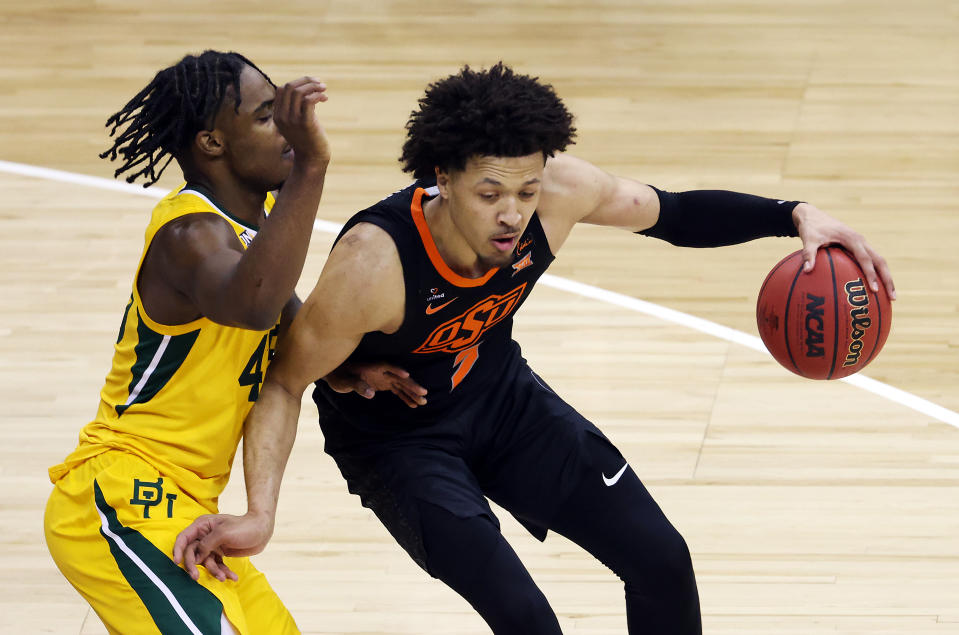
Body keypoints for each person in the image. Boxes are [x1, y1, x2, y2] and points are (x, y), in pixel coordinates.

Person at [174, 63, 896, 634]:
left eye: (525, 188)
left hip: (502, 403)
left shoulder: (558, 193)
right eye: (490, 192)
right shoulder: (373, 265)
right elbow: (282, 382)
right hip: (400, 447)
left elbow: (672, 213)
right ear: (442, 178)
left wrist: (792, 214)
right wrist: (260, 510)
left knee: (661, 560)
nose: (513, 212)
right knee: (528, 621)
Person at [43, 49, 334, 635]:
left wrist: (352, 369)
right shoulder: (190, 233)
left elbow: (292, 329)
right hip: (121, 492)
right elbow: (252, 305)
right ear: (211, 143)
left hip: (186, 506)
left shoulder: (256, 229)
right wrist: (311, 166)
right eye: (265, 116)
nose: (284, 128)